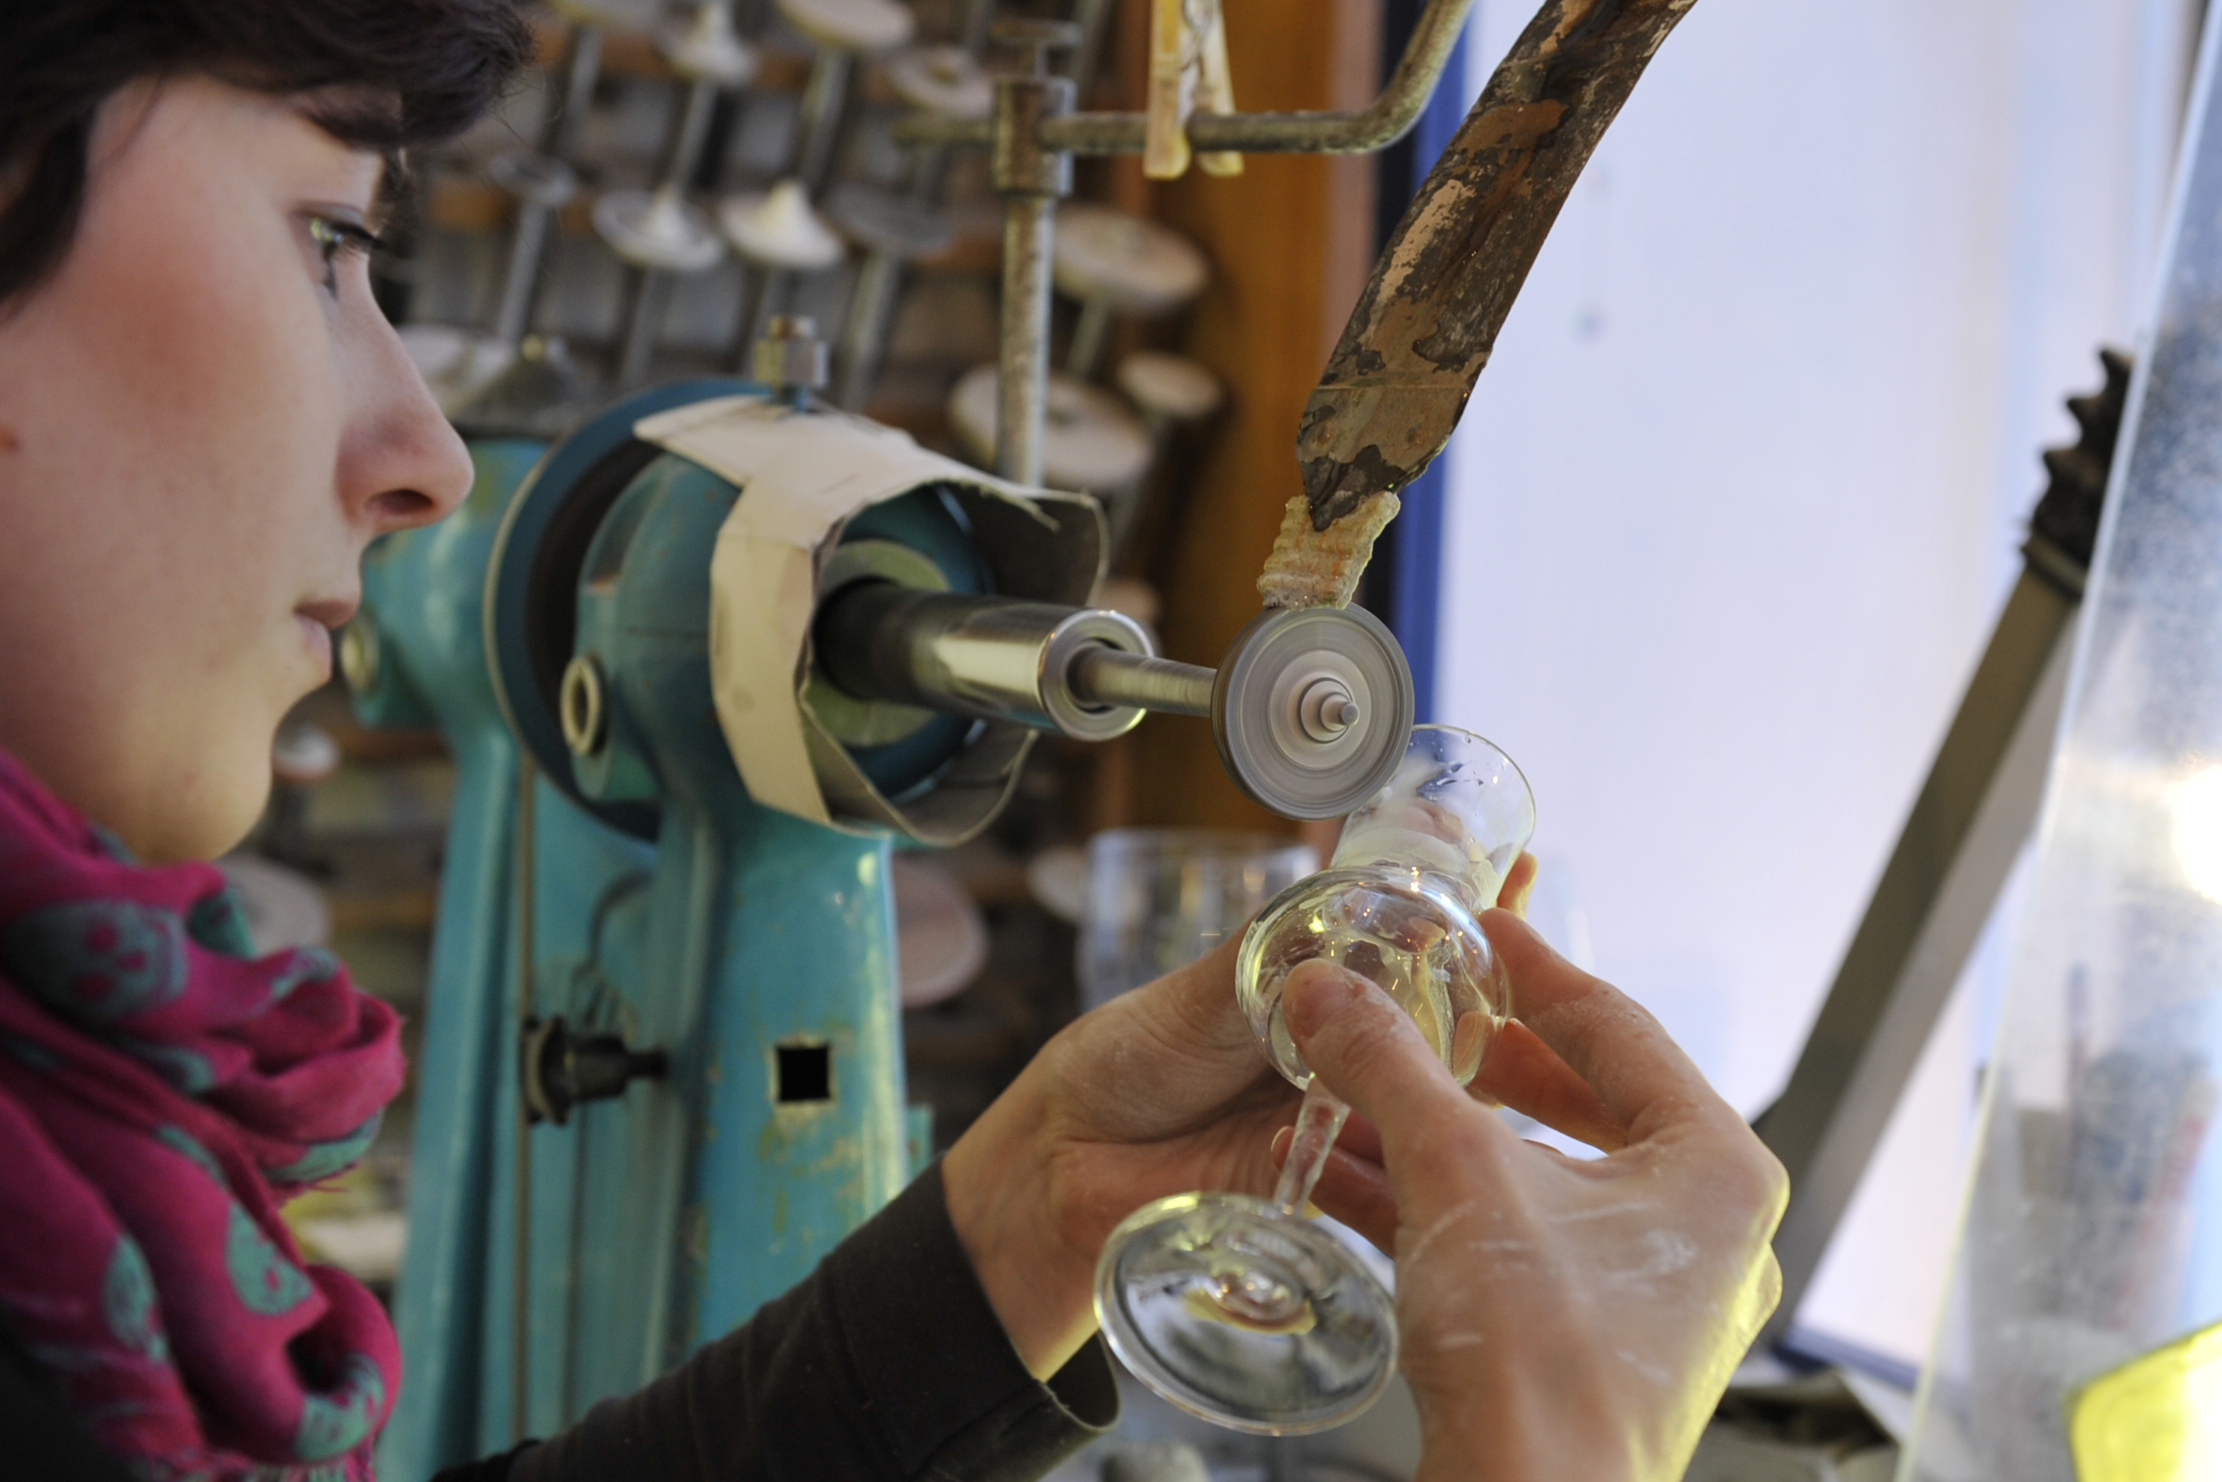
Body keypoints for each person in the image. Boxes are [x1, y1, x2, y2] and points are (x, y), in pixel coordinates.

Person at [0, 4, 1789, 1480]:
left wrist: (1037, 1202)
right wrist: (1556, 1443)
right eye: (332, 241)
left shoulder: (88, 1187)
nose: (428, 454)